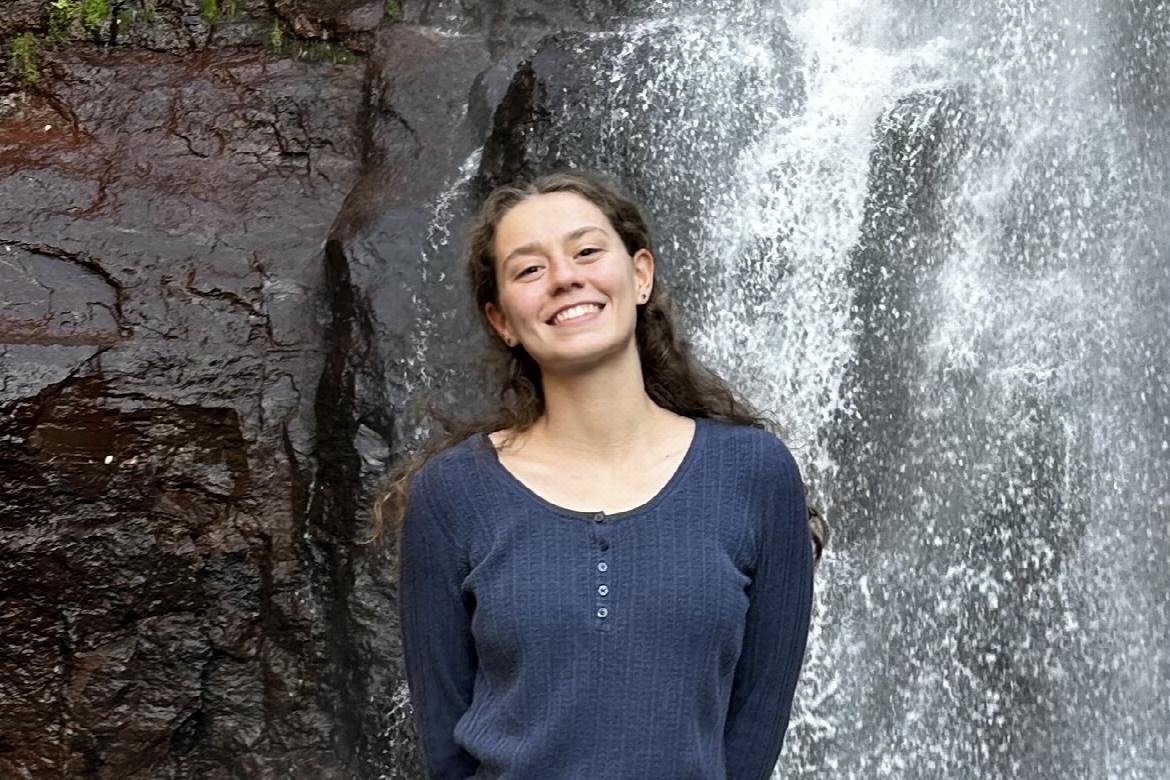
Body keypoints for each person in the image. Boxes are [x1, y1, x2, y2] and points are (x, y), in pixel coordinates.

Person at [375, 170, 827, 780]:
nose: (564, 277)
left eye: (587, 251)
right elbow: (445, 740)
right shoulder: (452, 495)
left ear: (640, 275)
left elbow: (755, 725)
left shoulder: (755, 472)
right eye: (529, 269)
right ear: (502, 320)